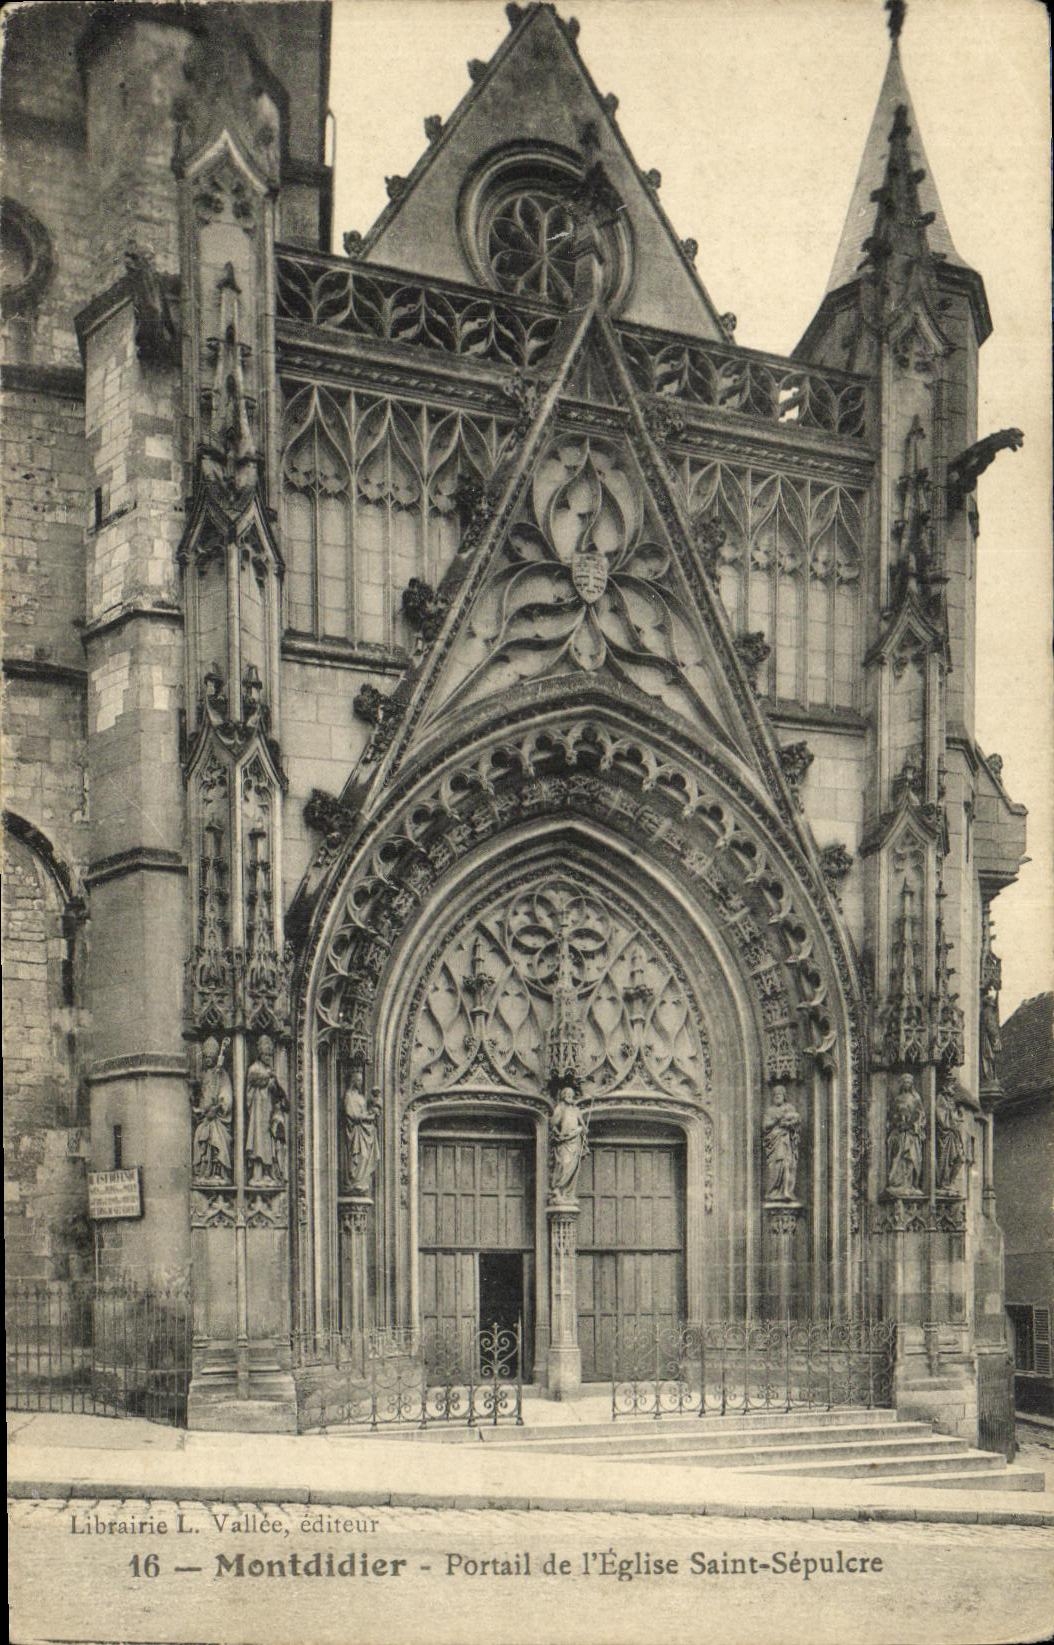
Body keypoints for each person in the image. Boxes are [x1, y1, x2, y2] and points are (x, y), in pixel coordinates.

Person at [245, 1034, 286, 1186]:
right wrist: (270, 1077)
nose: (269, 1057)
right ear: (260, 1054)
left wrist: (274, 1081)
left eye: (270, 1055)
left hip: (267, 1112)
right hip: (257, 1113)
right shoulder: (255, 1068)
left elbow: (276, 1090)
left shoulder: (269, 1070)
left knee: (268, 1143)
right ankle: (257, 1175)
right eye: (266, 1055)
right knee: (258, 1143)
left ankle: (268, 1173)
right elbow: (255, 1076)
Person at [192, 1036, 232, 1182]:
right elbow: (199, 1094)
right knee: (201, 1138)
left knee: (217, 1141)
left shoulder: (221, 1074)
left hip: (217, 1118)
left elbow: (226, 1094)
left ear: (216, 1057)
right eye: (206, 1057)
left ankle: (218, 1172)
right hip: (204, 1116)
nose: (208, 1059)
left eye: (211, 1057)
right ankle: (203, 1172)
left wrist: (220, 1105)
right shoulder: (203, 1075)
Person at [341, 1073, 381, 1194]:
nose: (360, 1083)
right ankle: (354, 1182)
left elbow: (363, 1112)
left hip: (364, 1130)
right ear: (353, 1081)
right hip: (356, 1131)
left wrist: (372, 1113)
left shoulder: (361, 1097)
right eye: (358, 1080)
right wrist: (368, 1118)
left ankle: (361, 1182)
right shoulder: (348, 1096)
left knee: (365, 1157)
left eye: (361, 1080)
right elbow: (352, 1115)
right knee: (357, 1157)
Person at [886, 1073, 925, 1194]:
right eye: (904, 1082)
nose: (906, 1084)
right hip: (899, 1132)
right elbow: (891, 1115)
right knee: (898, 1156)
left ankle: (910, 1184)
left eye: (909, 1082)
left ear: (911, 1084)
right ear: (901, 1084)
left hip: (911, 1133)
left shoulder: (916, 1099)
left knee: (912, 1158)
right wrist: (898, 1122)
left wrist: (913, 1125)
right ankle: (898, 1183)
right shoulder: (897, 1099)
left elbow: (921, 1116)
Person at [762, 1084, 802, 1202]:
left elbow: (796, 1122)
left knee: (787, 1165)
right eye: (775, 1095)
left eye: (779, 1094)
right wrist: (777, 1119)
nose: (777, 1096)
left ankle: (787, 1191)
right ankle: (773, 1191)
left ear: (784, 1096)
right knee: (775, 1166)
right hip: (774, 1142)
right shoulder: (770, 1111)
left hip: (786, 1142)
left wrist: (789, 1124)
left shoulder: (789, 1108)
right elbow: (765, 1126)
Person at [549, 1085, 588, 1200]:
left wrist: (584, 1129)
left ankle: (568, 1193)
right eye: (567, 1094)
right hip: (564, 1142)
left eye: (571, 1095)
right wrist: (559, 1135)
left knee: (573, 1167)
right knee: (564, 1165)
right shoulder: (560, 1108)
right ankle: (557, 1189)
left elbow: (582, 1124)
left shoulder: (576, 1110)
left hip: (575, 1141)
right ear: (563, 1096)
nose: (570, 1097)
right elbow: (553, 1124)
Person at [935, 1079, 965, 1193]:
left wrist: (957, 1115)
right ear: (946, 1086)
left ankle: (950, 1182)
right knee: (946, 1159)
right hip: (946, 1134)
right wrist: (953, 1119)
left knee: (960, 1159)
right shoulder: (941, 1098)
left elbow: (955, 1118)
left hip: (955, 1134)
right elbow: (941, 1117)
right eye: (952, 1086)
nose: (953, 1088)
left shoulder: (951, 1101)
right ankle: (944, 1183)